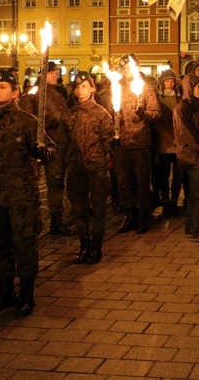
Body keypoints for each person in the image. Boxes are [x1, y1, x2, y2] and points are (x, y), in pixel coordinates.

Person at [0, 69, 55, 318]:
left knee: (25, 245)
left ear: (15, 91)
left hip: (22, 198)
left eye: (3, 86)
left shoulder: (27, 121)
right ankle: (5, 292)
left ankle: (26, 294)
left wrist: (42, 152)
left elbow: (50, 149)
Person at [55, 72, 115, 265]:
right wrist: (58, 172)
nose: (80, 90)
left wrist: (114, 145)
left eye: (84, 86)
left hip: (96, 168)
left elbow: (108, 141)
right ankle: (84, 245)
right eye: (77, 87)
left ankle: (96, 247)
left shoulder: (101, 114)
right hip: (75, 169)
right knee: (78, 210)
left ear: (92, 88)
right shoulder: (69, 115)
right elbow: (61, 145)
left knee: (98, 210)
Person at [20, 62, 71, 236]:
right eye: (52, 73)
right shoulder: (33, 94)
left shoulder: (57, 94)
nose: (55, 75)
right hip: (37, 146)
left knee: (56, 182)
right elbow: (27, 120)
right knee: (31, 183)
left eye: (56, 72)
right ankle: (30, 220)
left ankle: (57, 222)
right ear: (43, 74)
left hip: (55, 146)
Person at [112, 54, 162, 234]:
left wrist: (143, 113)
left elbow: (156, 114)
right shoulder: (116, 87)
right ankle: (129, 215)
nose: (126, 71)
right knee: (123, 182)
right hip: (121, 143)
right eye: (123, 68)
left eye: (128, 67)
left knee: (141, 182)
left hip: (140, 142)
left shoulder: (146, 88)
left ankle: (142, 215)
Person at [173, 74, 199, 243]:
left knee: (194, 194)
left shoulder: (196, 106)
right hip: (191, 157)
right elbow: (188, 135)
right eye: (197, 87)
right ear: (190, 88)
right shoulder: (182, 108)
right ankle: (197, 229)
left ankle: (191, 226)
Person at [153, 69, 182, 218]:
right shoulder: (158, 98)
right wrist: (167, 137)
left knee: (178, 175)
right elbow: (157, 123)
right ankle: (165, 204)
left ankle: (174, 202)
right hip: (164, 143)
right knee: (163, 176)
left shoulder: (179, 98)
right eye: (167, 81)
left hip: (178, 143)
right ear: (162, 82)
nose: (170, 83)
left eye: (172, 81)